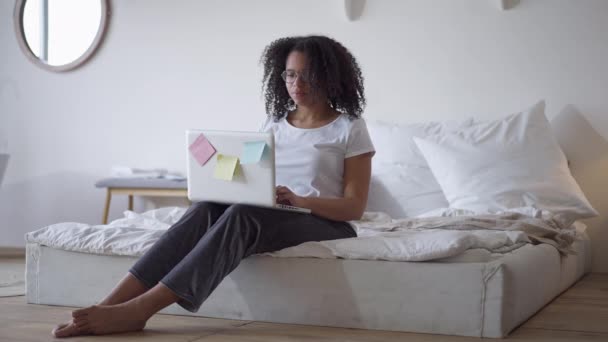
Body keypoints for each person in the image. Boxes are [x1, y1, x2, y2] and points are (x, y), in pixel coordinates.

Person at [52, 34, 375, 337]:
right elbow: (252, 175)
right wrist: (228, 183)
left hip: (326, 221)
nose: (296, 84)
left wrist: (300, 200)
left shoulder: (349, 128)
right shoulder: (273, 124)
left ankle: (140, 309)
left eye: (307, 75)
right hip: (273, 210)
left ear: (330, 76)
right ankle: (109, 304)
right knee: (207, 208)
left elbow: (355, 207)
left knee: (243, 215)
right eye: (290, 75)